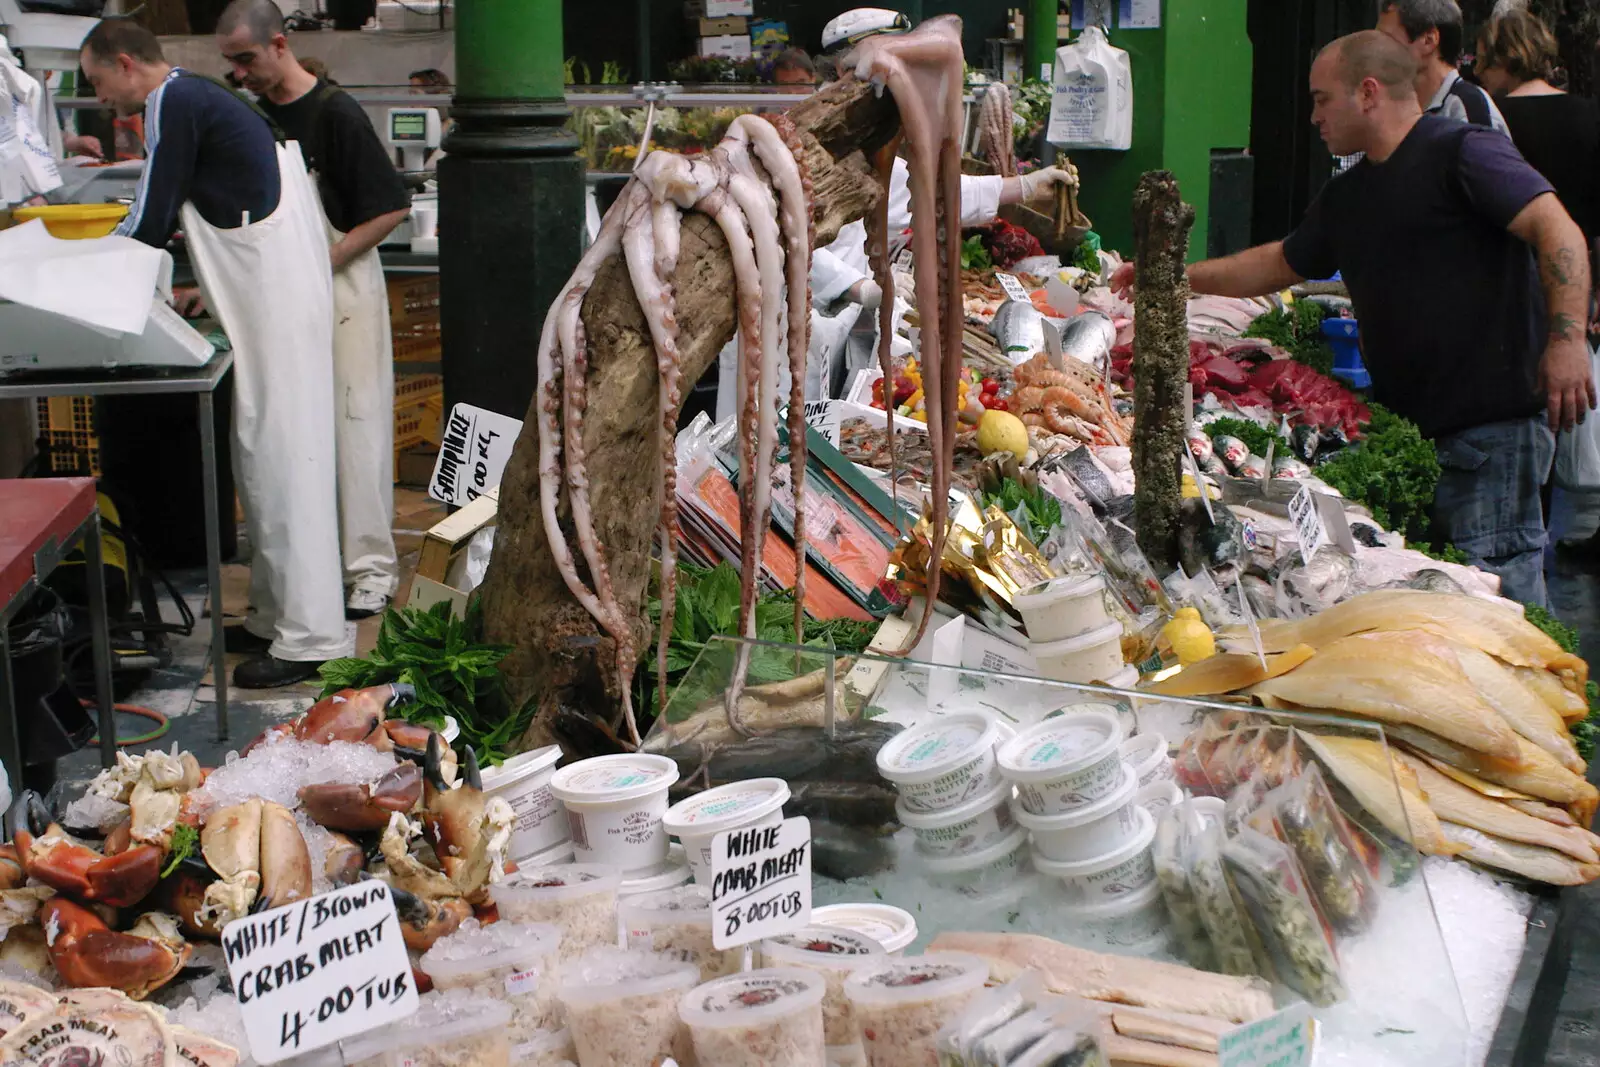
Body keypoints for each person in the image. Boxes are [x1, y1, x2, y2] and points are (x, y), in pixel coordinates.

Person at [1113, 30, 1595, 607]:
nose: (1313, 116)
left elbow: (1557, 229)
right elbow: (1278, 263)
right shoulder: (1352, 191)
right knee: (1434, 605)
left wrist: (1566, 340)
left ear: (1368, 93)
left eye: (1321, 99)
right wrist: (1173, 275)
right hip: (1416, 427)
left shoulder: (1463, 151)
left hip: (1492, 433)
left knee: (1496, 605)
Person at [83, 18, 348, 686]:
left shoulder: (173, 100)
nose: (100, 98)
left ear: (123, 62)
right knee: (264, 455)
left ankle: (309, 635)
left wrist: (78, 282)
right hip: (277, 293)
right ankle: (272, 615)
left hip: (277, 300)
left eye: (96, 82)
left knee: (288, 460)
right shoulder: (198, 96)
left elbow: (150, 213)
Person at [217, 0, 412, 620]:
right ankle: (312, 569)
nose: (240, 74)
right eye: (231, 65)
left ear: (279, 45)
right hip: (280, 296)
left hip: (344, 287)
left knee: (356, 429)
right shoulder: (250, 121)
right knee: (295, 434)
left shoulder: (336, 114)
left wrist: (321, 262)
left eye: (245, 59)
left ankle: (371, 571)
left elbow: (390, 207)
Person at [1477, 10, 1600, 556]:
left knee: (1525, 411)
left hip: (1507, 289)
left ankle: (1524, 532)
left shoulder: (1486, 123)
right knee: (1569, 400)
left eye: (1482, 58)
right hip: (1579, 288)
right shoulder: (1587, 117)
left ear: (1503, 58)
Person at [1378, 0, 1507, 131]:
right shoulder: (1387, 103)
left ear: (1429, 41)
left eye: (1388, 39)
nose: (1378, 48)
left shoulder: (1469, 109)